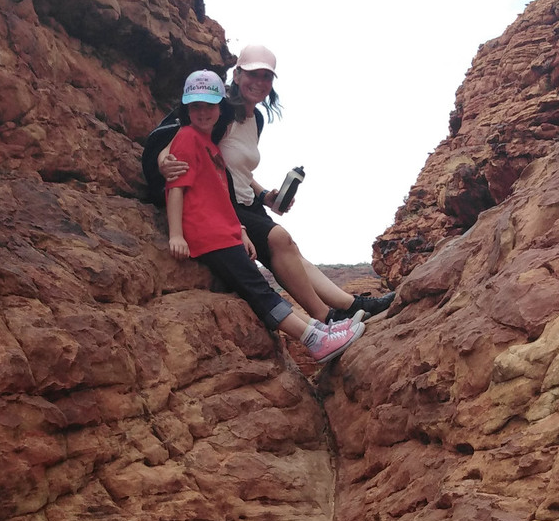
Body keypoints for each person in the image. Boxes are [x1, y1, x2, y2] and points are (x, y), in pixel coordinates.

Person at [154, 44, 394, 324]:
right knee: (280, 239)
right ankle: (327, 315)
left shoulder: (255, 117)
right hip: (224, 205)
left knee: (289, 248)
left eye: (266, 77)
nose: (259, 83)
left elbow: (234, 166)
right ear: (237, 74)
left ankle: (351, 305)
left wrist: (266, 195)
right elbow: (177, 141)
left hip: (248, 201)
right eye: (253, 75)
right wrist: (164, 163)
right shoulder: (219, 112)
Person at [165, 70, 364, 364]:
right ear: (186, 108)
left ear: (220, 107)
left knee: (259, 286)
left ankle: (321, 329)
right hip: (206, 235)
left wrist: (240, 230)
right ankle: (316, 340)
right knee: (259, 290)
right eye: (196, 106)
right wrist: (176, 234)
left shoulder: (210, 145)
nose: (203, 112)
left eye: (209, 105)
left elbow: (222, 196)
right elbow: (176, 187)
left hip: (224, 233)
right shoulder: (186, 138)